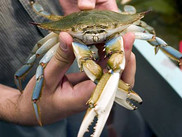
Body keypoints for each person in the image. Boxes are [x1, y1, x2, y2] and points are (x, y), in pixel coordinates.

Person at [0, 0, 136, 136]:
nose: (95, 34)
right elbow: (35, 58)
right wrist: (16, 107)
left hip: (67, 27)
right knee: (39, 62)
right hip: (23, 100)